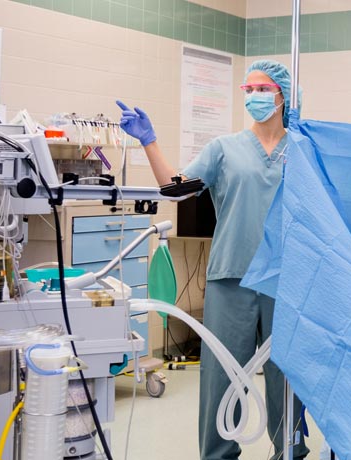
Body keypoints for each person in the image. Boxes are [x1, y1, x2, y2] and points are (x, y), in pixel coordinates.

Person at [114, 59, 308, 460]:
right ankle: (217, 455)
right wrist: (149, 141)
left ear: (283, 95)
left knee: (286, 376)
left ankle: (290, 450)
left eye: (262, 89)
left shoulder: (302, 149)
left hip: (286, 280)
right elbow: (174, 189)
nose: (254, 96)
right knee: (221, 376)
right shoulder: (224, 149)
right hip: (230, 278)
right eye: (248, 90)